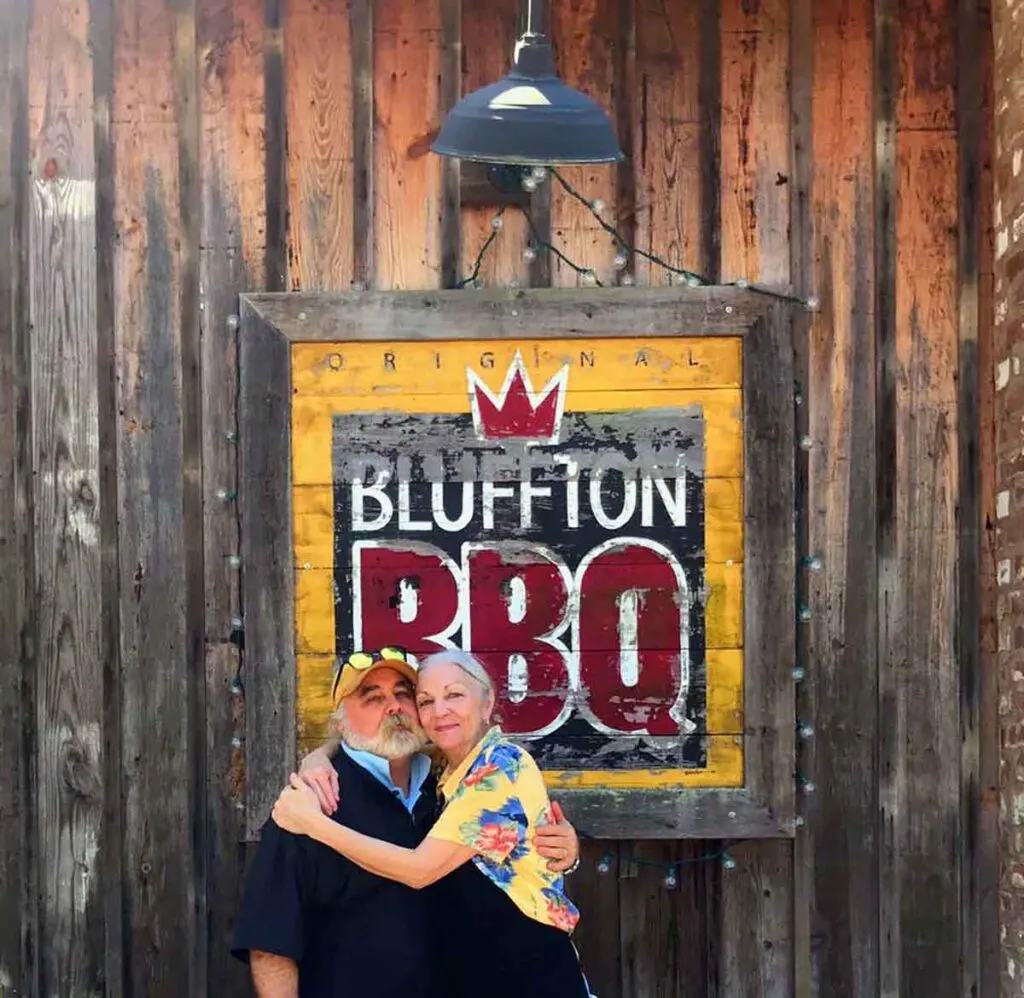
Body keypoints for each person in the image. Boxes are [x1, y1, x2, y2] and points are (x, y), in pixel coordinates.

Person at [231, 646, 579, 998]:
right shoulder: (309, 800)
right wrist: (318, 758)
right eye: (373, 698)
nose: (394, 706)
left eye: (403, 694)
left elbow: (421, 870)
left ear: (487, 705)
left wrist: (568, 848)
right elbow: (269, 944)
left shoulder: (467, 778)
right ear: (340, 723)